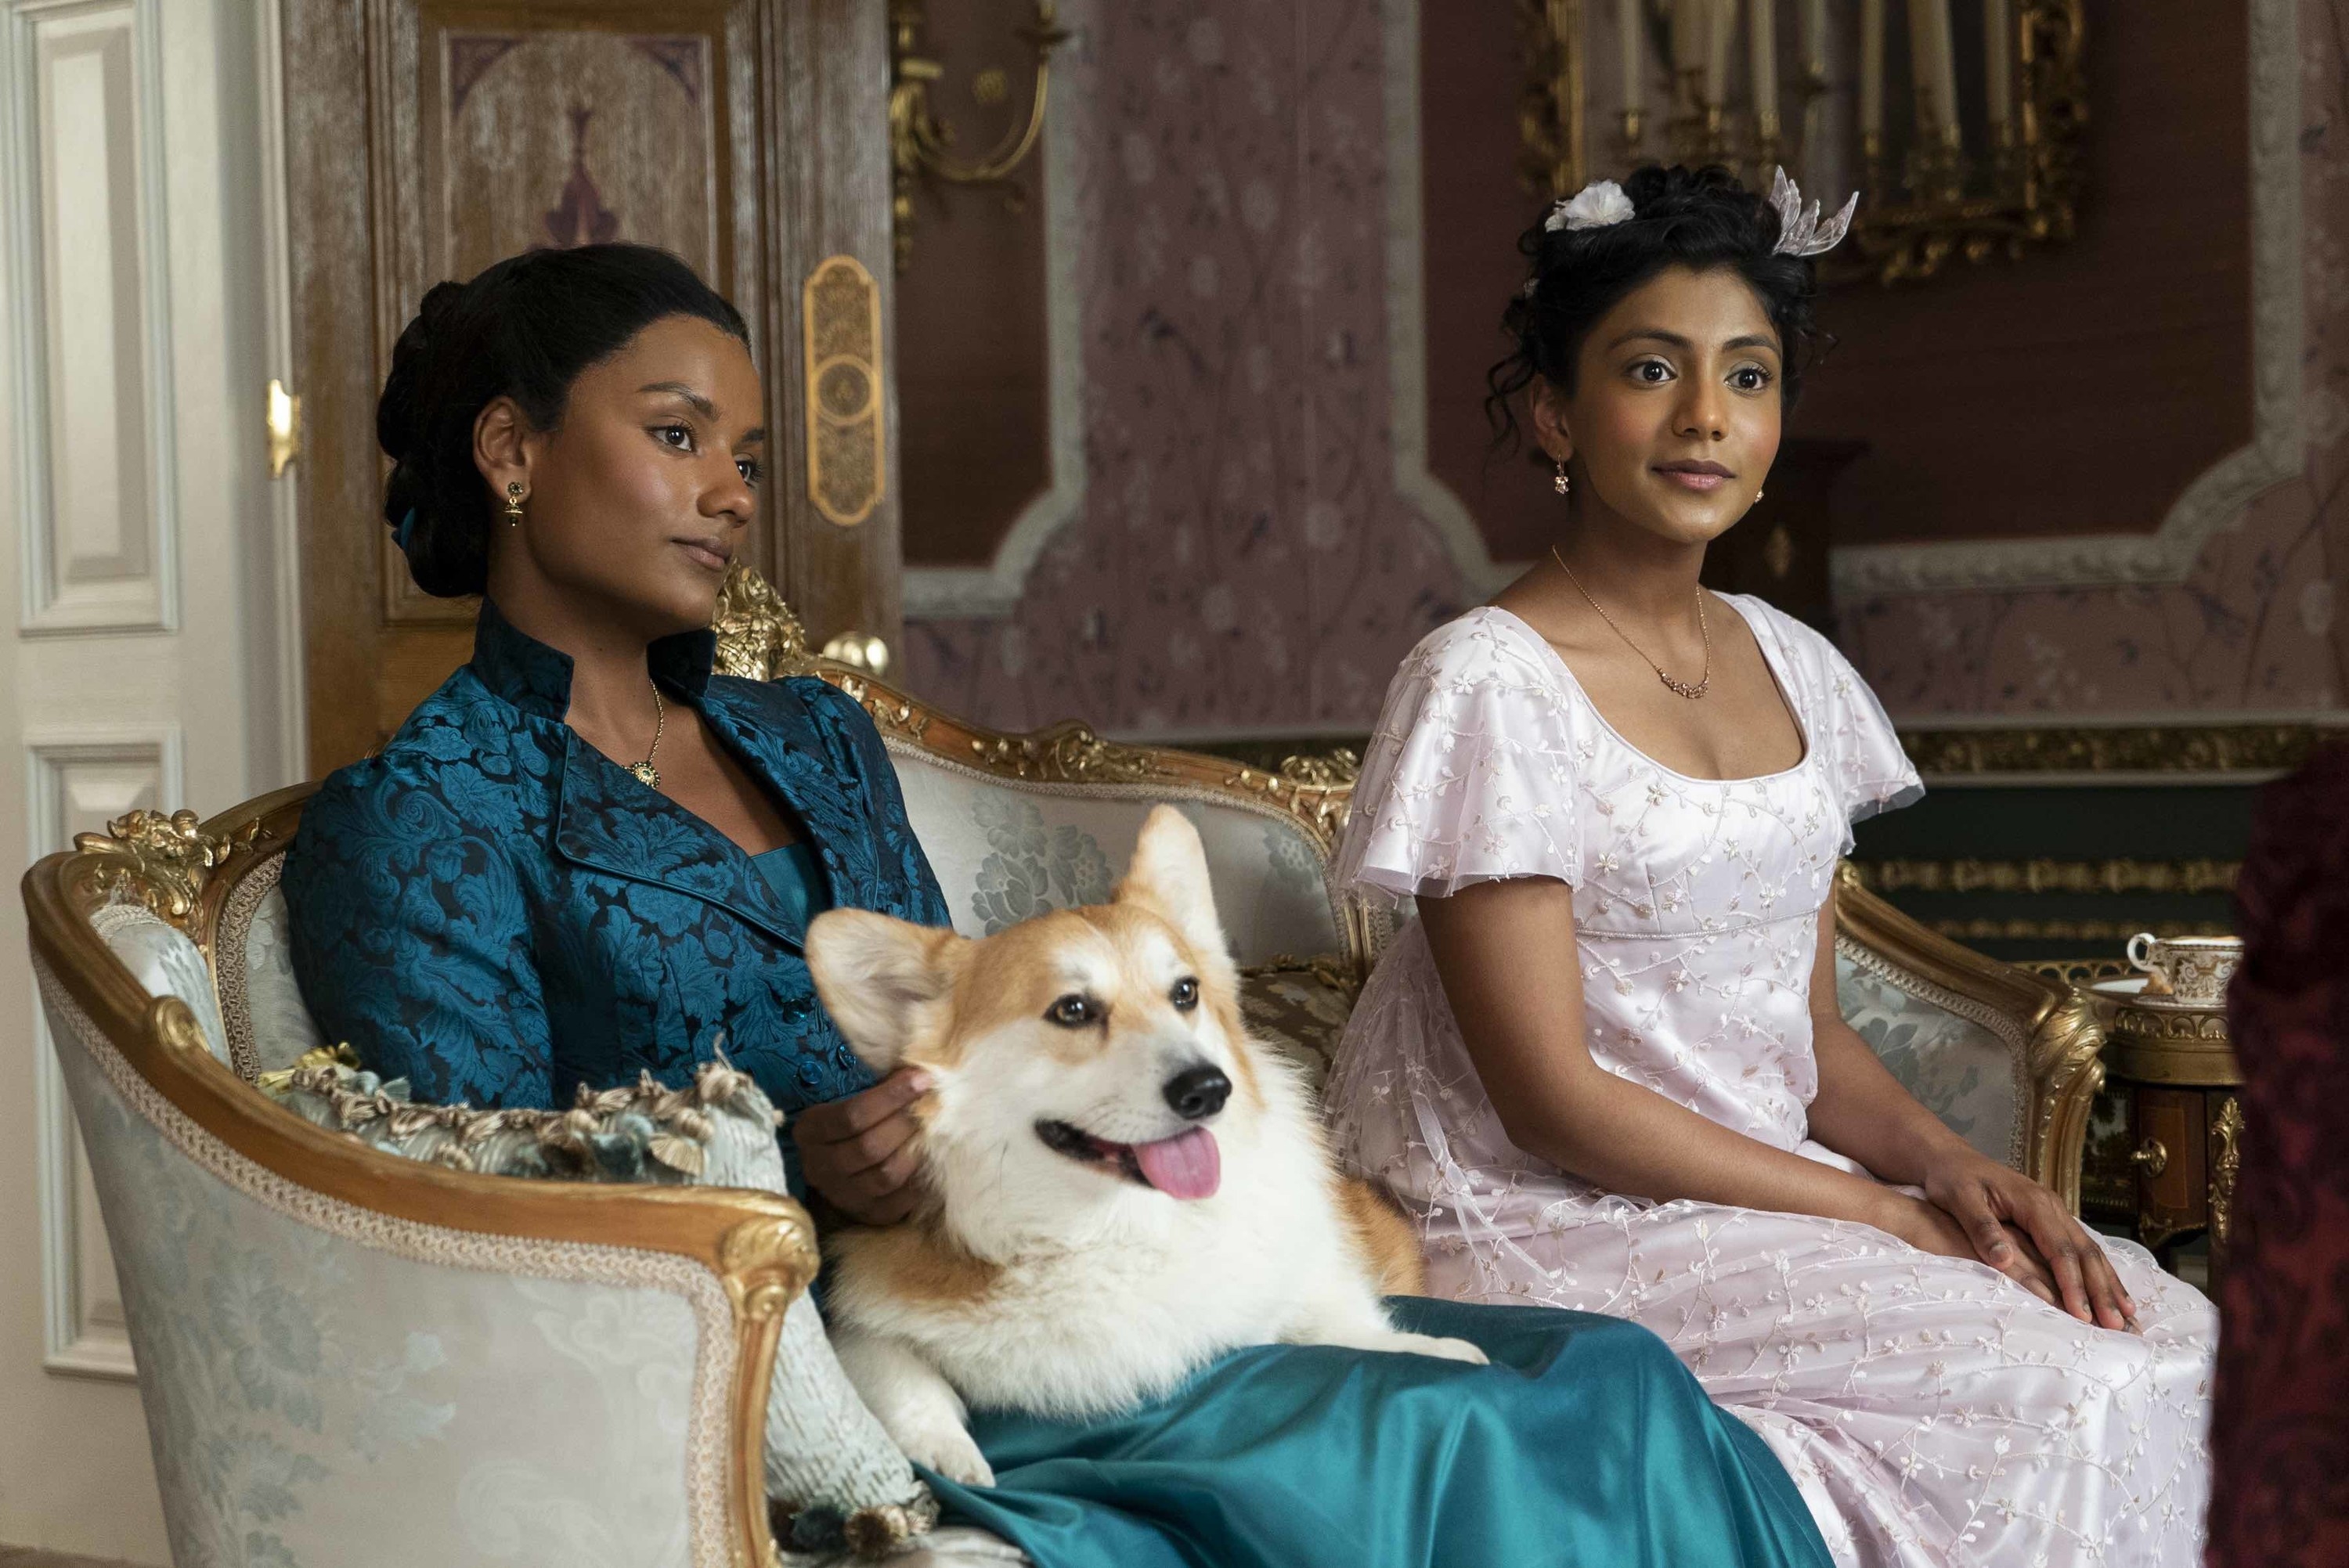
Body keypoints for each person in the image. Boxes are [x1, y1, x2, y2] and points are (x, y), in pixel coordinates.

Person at [283, 243, 1834, 1568]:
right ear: (509, 452)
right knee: (1461, 1442)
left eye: (746, 458)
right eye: (680, 438)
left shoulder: (811, 738)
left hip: (1072, 1264)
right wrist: (798, 1176)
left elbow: (967, 1030)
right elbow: (485, 1218)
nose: (732, 494)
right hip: (858, 1351)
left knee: (1617, 1380)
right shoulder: (420, 817)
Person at [1319, 166, 2217, 1568]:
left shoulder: (1791, 663)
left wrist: (1958, 1170)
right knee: (2073, 1387)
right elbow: (1550, 1100)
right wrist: (1872, 1211)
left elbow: (1803, 1033)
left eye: (1748, 376)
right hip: (1546, 1216)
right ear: (1555, 412)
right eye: (1651, 370)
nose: (1706, 419)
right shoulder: (1490, 684)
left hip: (1756, 1190)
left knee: (2179, 1339)